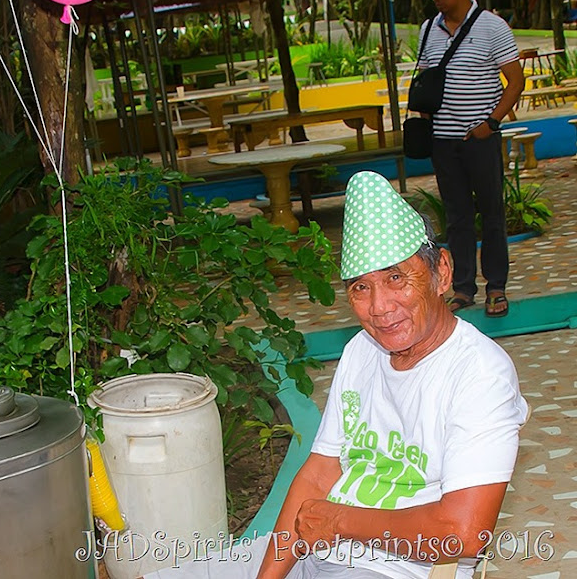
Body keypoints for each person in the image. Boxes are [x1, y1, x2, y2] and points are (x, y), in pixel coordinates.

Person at [142, 171, 527, 579]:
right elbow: (321, 473)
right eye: (360, 288)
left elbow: (462, 534)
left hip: (393, 570)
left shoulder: (481, 373)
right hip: (317, 546)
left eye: (396, 277)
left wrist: (341, 522)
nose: (380, 307)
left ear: (442, 272)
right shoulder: (362, 351)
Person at [419, 0, 525, 318]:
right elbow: (426, 81)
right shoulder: (428, 30)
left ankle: (496, 286)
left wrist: (490, 124)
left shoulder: (493, 27)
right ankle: (463, 288)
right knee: (457, 217)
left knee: (492, 213)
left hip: (479, 139)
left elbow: (516, 80)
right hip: (443, 142)